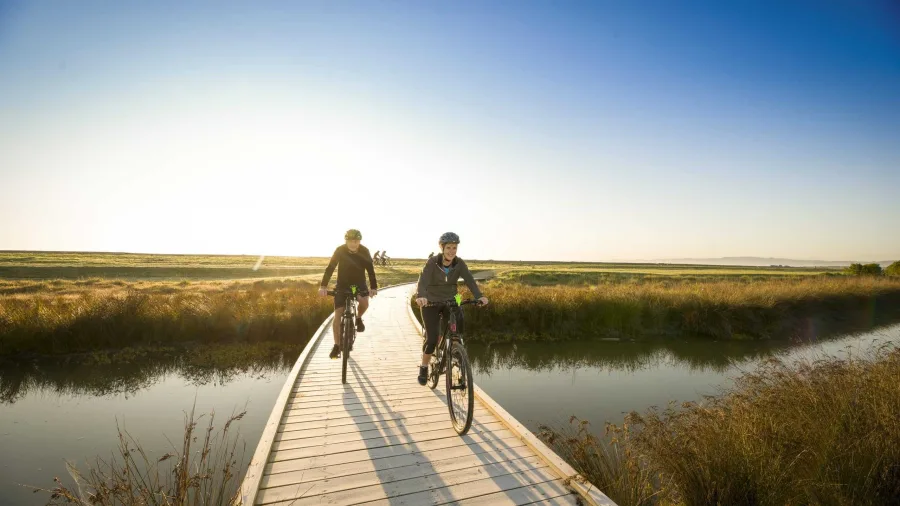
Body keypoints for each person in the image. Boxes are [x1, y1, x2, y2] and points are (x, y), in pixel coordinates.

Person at [414, 232, 488, 385]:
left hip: (452, 299)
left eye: (454, 248)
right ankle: (424, 366)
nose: (452, 251)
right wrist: (421, 295)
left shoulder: (459, 263)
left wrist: (479, 296)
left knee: (458, 324)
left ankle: (457, 349)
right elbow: (423, 281)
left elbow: (469, 280)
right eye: (448, 247)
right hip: (431, 302)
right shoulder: (432, 262)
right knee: (432, 338)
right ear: (442, 248)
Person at [318, 229, 378, 359]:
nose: (353, 244)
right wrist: (323, 286)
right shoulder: (340, 250)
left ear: (359, 241)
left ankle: (358, 318)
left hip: (357, 285)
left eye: (356, 241)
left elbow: (370, 270)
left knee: (364, 302)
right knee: (338, 315)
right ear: (346, 241)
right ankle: (336, 346)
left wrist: (373, 287)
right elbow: (330, 268)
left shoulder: (365, 251)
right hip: (342, 285)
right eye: (350, 241)